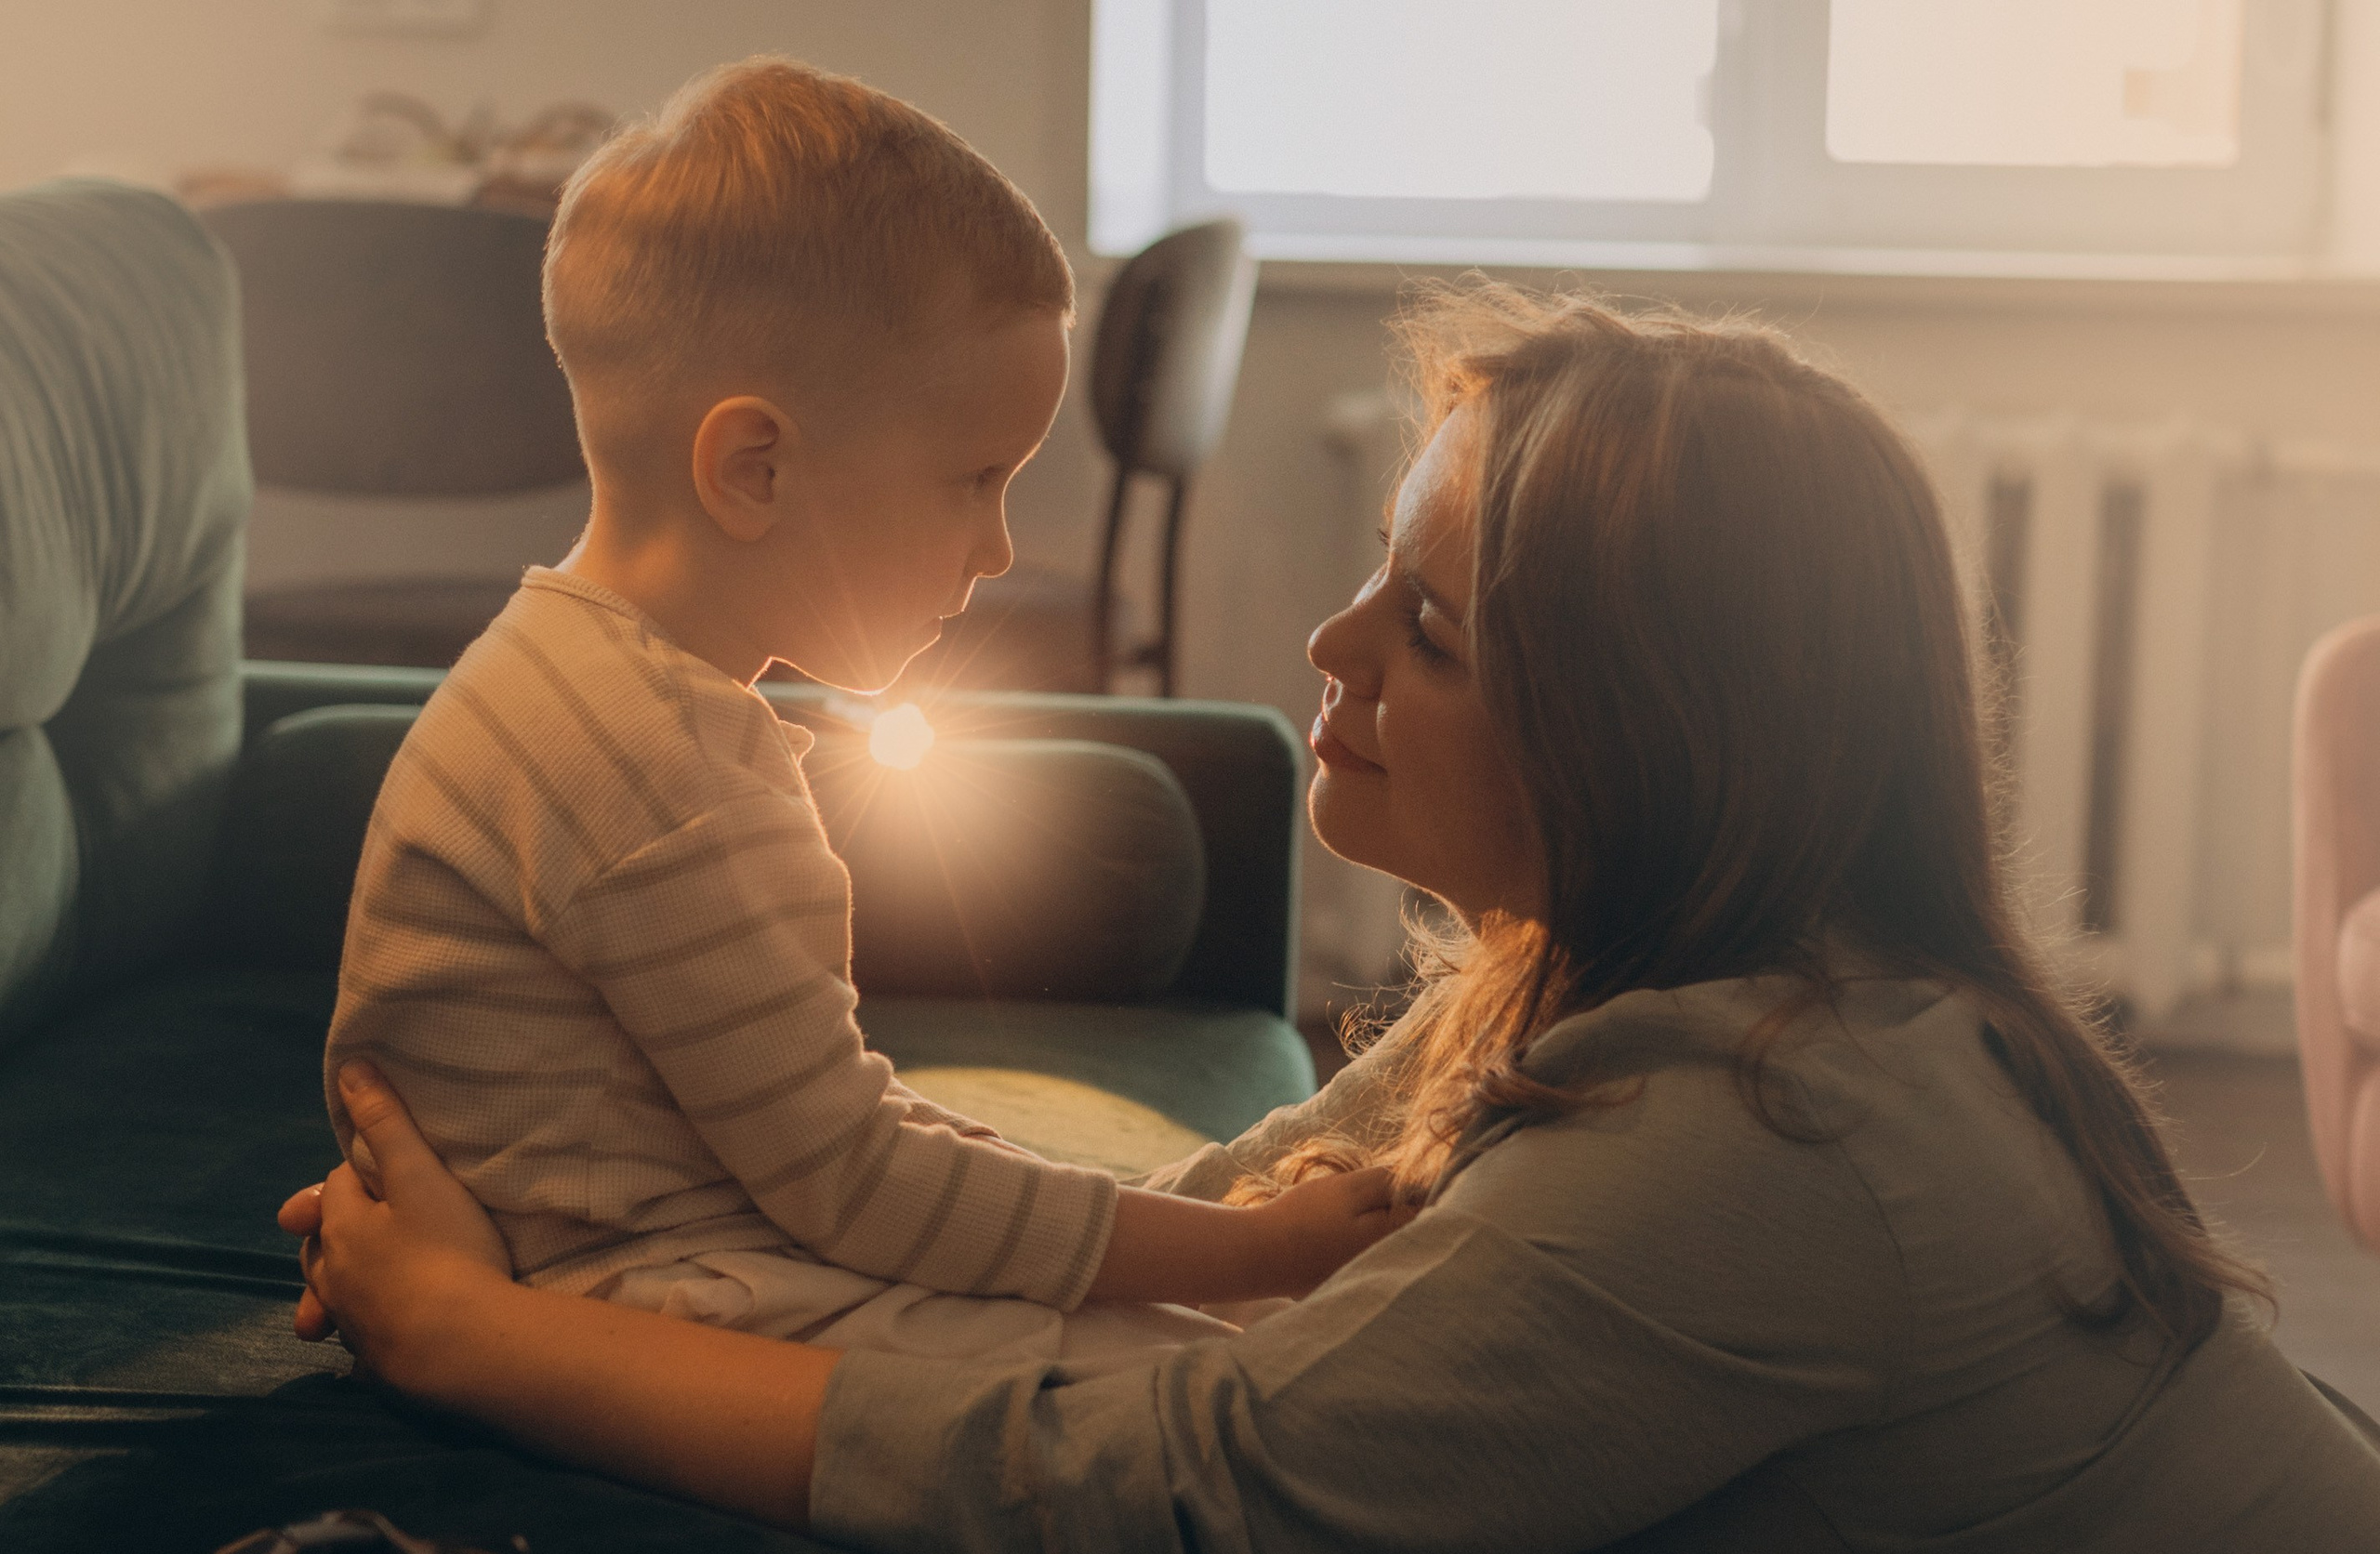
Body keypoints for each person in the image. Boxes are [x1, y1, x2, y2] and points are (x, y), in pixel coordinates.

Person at [285, 285, 2380, 1549]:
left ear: (1649, 733)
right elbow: (1213, 1225)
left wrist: (486, 1334)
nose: (1328, 637)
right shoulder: (1584, 967)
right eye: (1383, 569)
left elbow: (1170, 1487)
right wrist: (624, 1229)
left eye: (1432, 625)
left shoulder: (1777, 1133)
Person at [320, 53, 1403, 1375]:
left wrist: (1169, 1227)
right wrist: (1251, 1249)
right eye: (976, 480)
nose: (999, 547)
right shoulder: (661, 766)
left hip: (693, 1243)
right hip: (647, 1302)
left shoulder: (566, 671)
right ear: (754, 469)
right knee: (1218, 1379)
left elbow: (827, 1138)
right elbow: (857, 1184)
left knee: (1210, 1319)